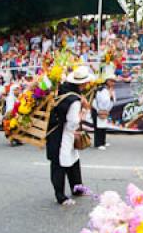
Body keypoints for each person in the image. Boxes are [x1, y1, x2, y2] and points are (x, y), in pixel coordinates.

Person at [46, 66, 94, 206]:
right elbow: (73, 122)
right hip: (64, 134)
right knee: (61, 163)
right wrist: (83, 112)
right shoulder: (74, 100)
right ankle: (61, 196)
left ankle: (77, 187)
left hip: (58, 132)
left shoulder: (62, 90)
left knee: (72, 159)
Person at [92, 73, 116, 150]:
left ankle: (102, 141)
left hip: (104, 110)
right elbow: (103, 101)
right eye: (111, 81)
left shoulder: (108, 89)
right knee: (98, 127)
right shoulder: (102, 89)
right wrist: (110, 95)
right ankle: (98, 143)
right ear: (107, 81)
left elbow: (112, 100)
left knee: (103, 126)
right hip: (98, 109)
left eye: (114, 81)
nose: (113, 83)